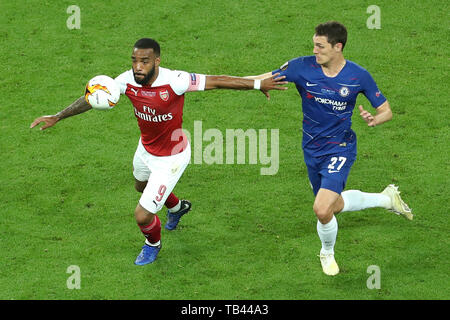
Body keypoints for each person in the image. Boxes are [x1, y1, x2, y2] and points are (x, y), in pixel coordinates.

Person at [30, 38, 287, 266]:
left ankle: (153, 245)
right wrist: (58, 116)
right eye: (134, 61)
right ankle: (177, 208)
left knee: (142, 214)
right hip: (145, 149)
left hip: (172, 158)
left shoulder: (175, 81)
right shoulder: (126, 81)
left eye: (144, 61)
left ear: (156, 61)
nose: (137, 67)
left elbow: (217, 81)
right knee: (140, 187)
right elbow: (92, 97)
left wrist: (256, 84)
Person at [248, 21, 412, 276]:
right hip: (312, 149)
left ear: (338, 47)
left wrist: (375, 119)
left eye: (320, 46)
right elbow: (263, 77)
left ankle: (327, 253)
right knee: (332, 205)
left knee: (321, 209)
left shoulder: (358, 76)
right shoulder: (301, 67)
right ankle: (386, 198)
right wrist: (225, 82)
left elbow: (386, 110)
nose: (314, 50)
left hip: (341, 147)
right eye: (314, 44)